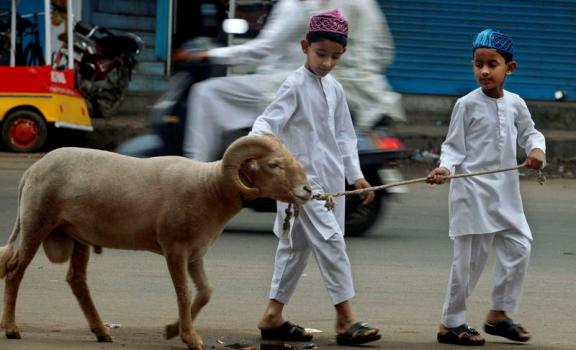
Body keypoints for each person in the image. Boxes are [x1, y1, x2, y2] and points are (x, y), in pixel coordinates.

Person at [249, 9, 381, 346]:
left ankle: (272, 316)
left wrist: (356, 176)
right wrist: (257, 154)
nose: (327, 62)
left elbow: (345, 137)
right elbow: (265, 125)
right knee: (333, 242)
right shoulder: (293, 84)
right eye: (321, 54)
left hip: (332, 183)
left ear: (343, 54)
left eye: (335, 56)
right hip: (302, 186)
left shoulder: (334, 88)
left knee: (294, 251)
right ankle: (345, 319)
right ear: (305, 46)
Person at [426, 29, 546, 346]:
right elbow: (453, 147)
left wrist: (537, 152)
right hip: (471, 193)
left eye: (492, 64)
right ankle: (450, 324)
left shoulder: (517, 104)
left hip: (505, 192)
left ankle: (499, 314)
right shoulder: (466, 105)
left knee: (520, 245)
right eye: (478, 64)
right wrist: (444, 168)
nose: (484, 71)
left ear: (510, 68)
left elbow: (531, 134)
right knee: (469, 262)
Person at [181, 0, 405, 161]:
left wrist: (210, 54)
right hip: (364, 90)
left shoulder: (304, 6)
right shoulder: (367, 5)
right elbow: (385, 52)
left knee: (208, 92)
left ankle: (195, 169)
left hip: (298, 83)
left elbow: (264, 48)